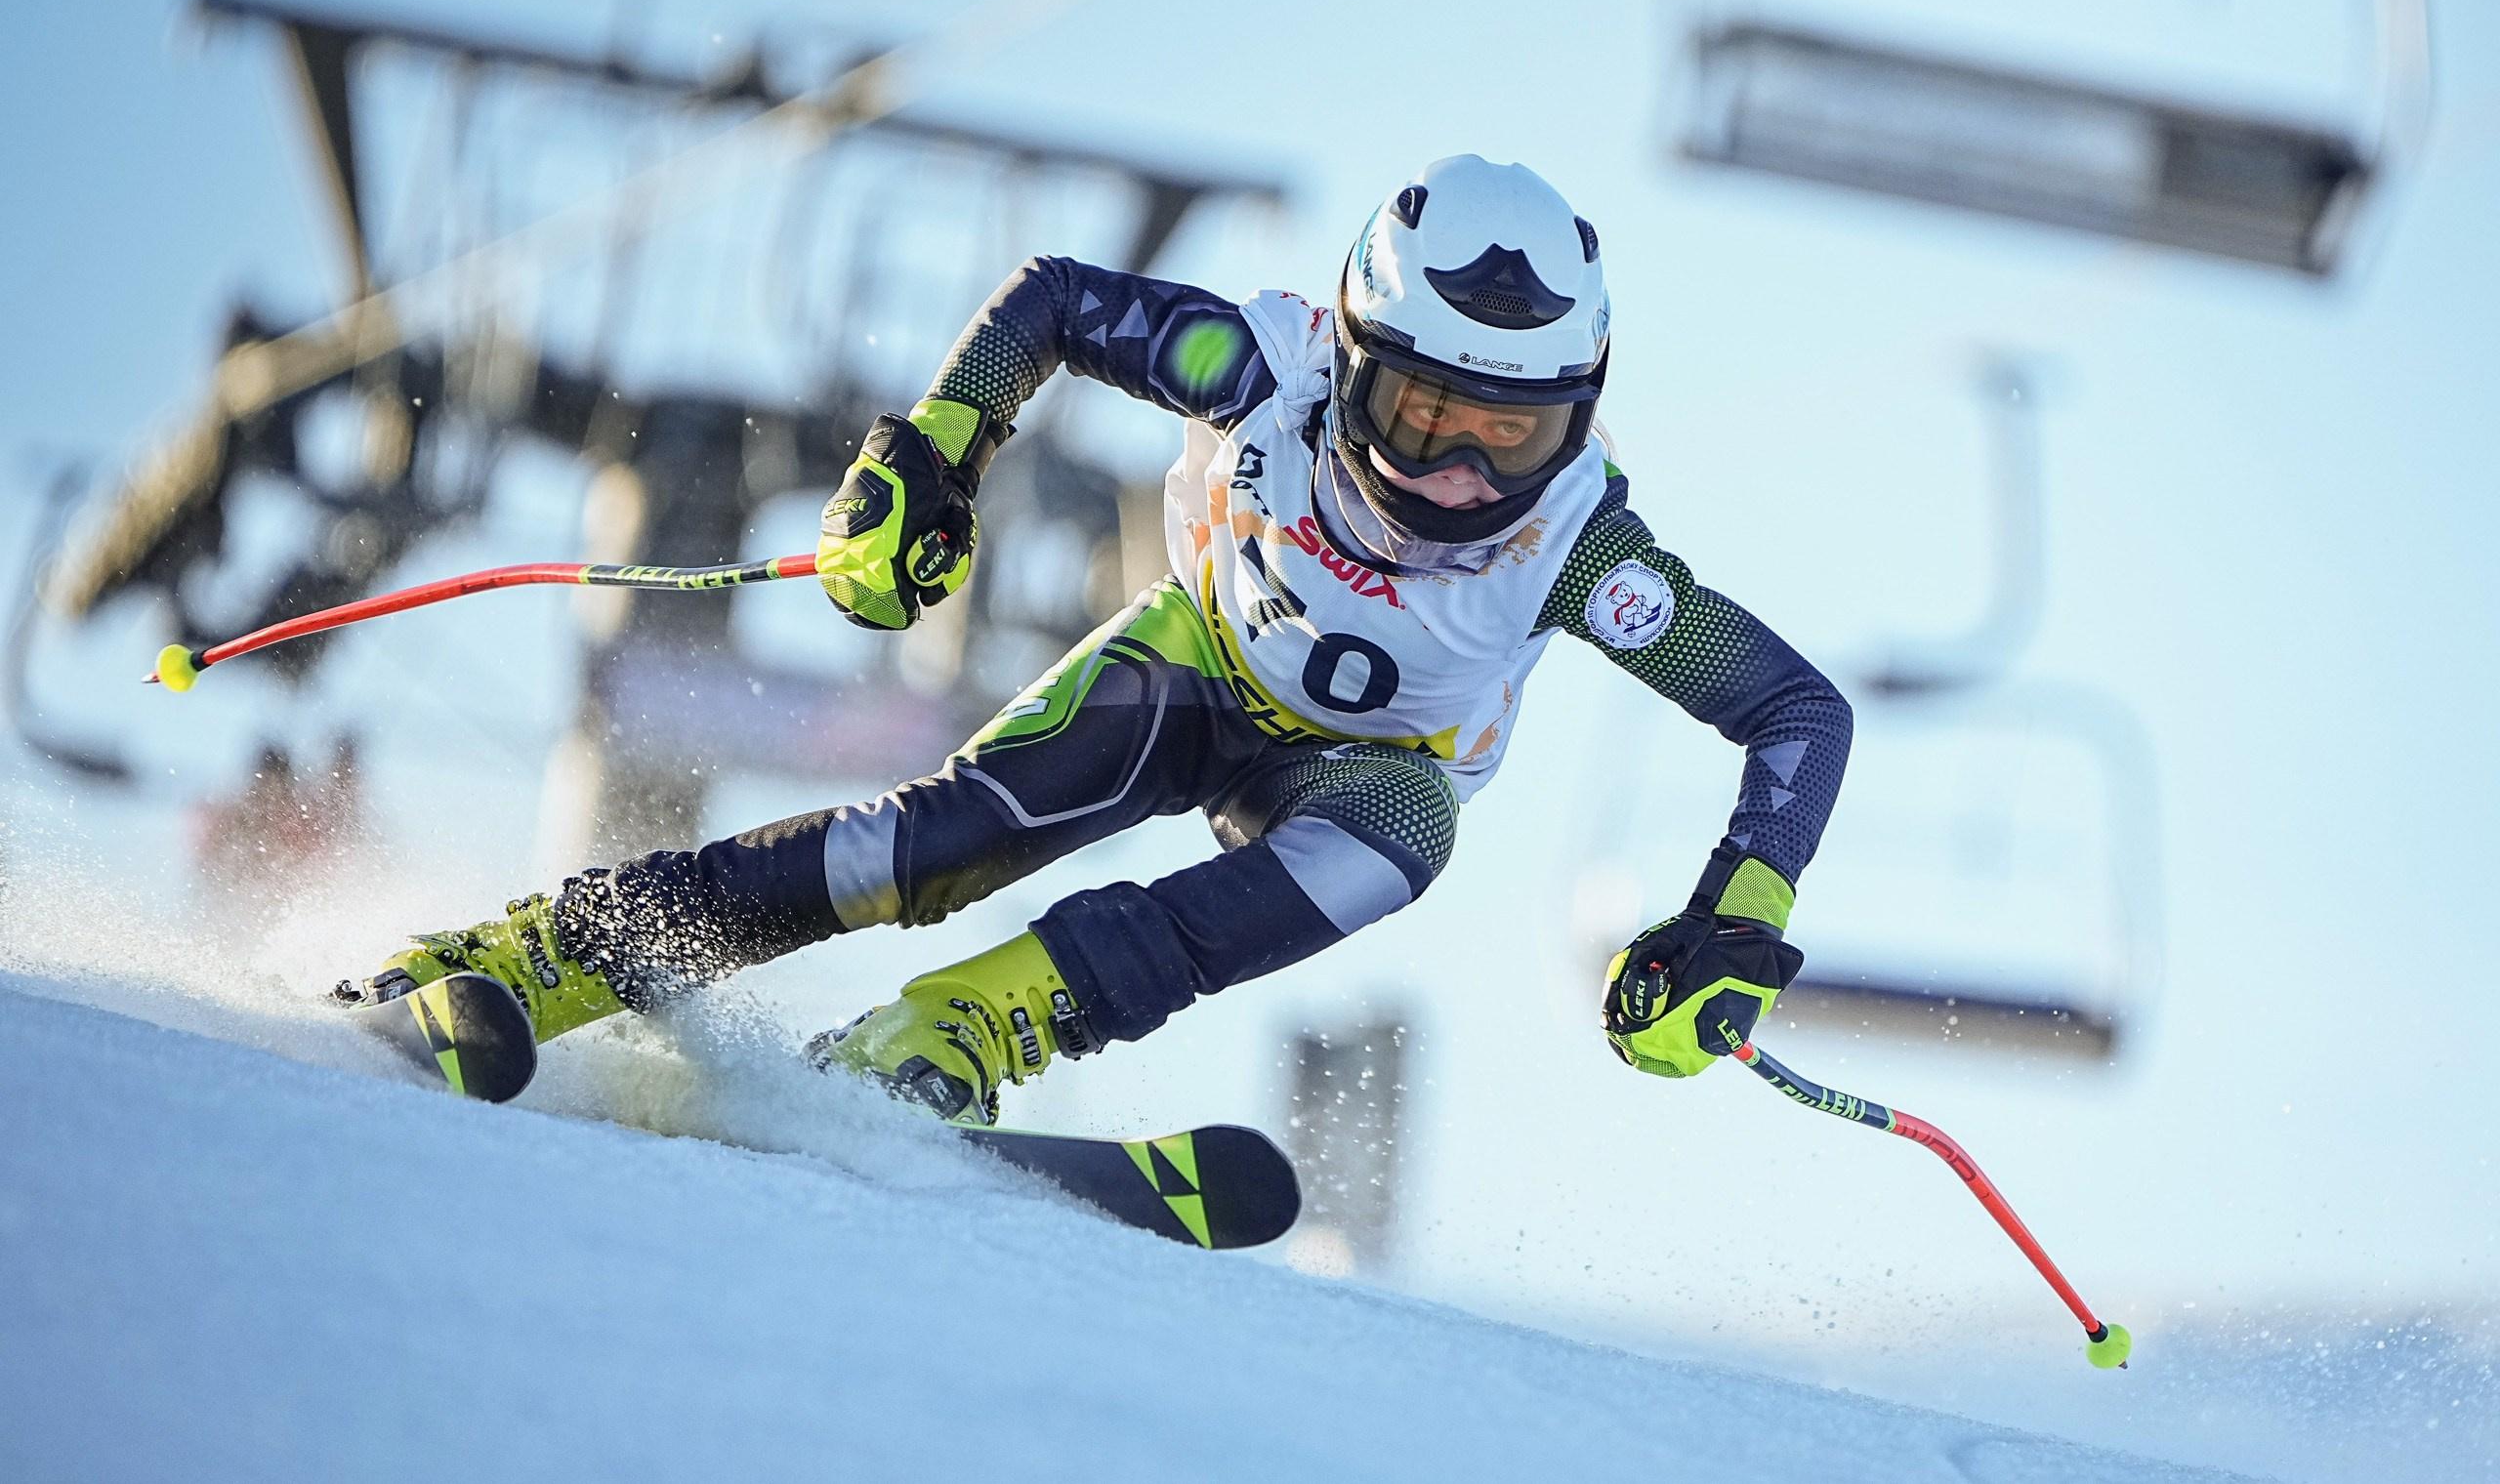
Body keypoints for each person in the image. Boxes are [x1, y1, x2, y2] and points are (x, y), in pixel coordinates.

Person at [345, 155, 1853, 1124]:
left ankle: (970, 1032)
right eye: (1423, 418)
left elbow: (1793, 713)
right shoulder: (1261, 365)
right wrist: (932, 457)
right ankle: (561, 949)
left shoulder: (1583, 546)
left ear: (1575, 416)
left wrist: (1735, 909)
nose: (1461, 475)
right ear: (1354, 362)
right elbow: (1053, 304)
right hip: (1192, 666)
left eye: (1507, 435)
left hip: (1361, 770)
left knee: (1406, 832)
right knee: (926, 850)